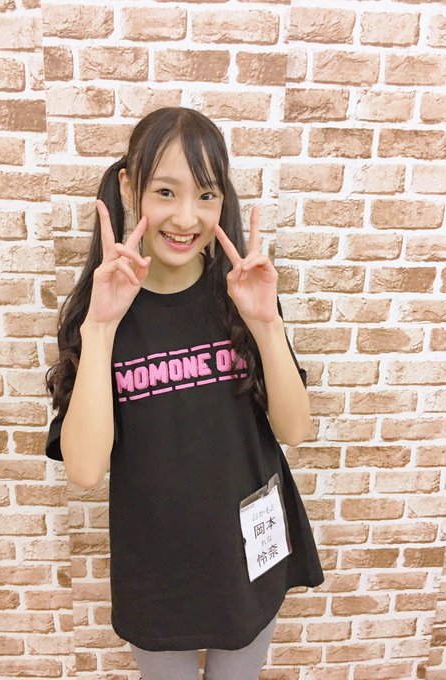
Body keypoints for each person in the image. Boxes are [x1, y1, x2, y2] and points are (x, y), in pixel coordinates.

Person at [44, 106, 324, 680]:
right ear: (131, 188)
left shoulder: (241, 296)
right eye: (166, 192)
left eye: (207, 194)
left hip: (249, 557)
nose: (186, 217)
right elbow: (86, 470)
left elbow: (295, 430)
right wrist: (101, 330)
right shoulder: (100, 313)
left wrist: (267, 323)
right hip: (157, 573)